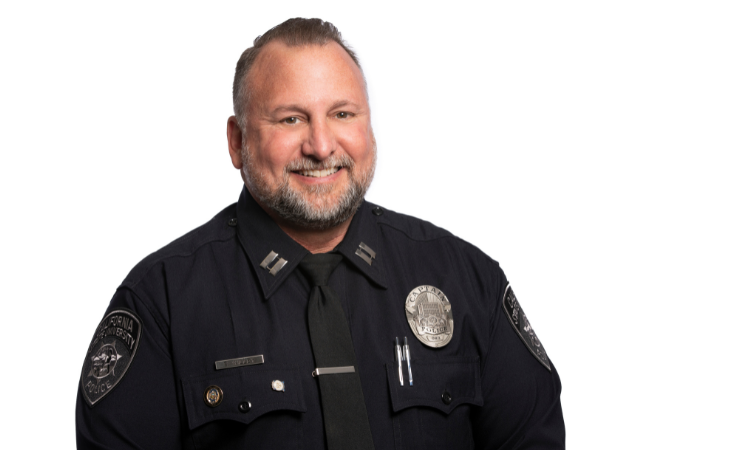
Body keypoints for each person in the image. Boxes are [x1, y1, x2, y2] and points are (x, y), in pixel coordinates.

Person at [76, 18, 565, 450]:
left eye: (342, 114)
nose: (321, 144)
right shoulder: (160, 301)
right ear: (238, 141)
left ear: (369, 130)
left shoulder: (467, 280)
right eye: (291, 118)